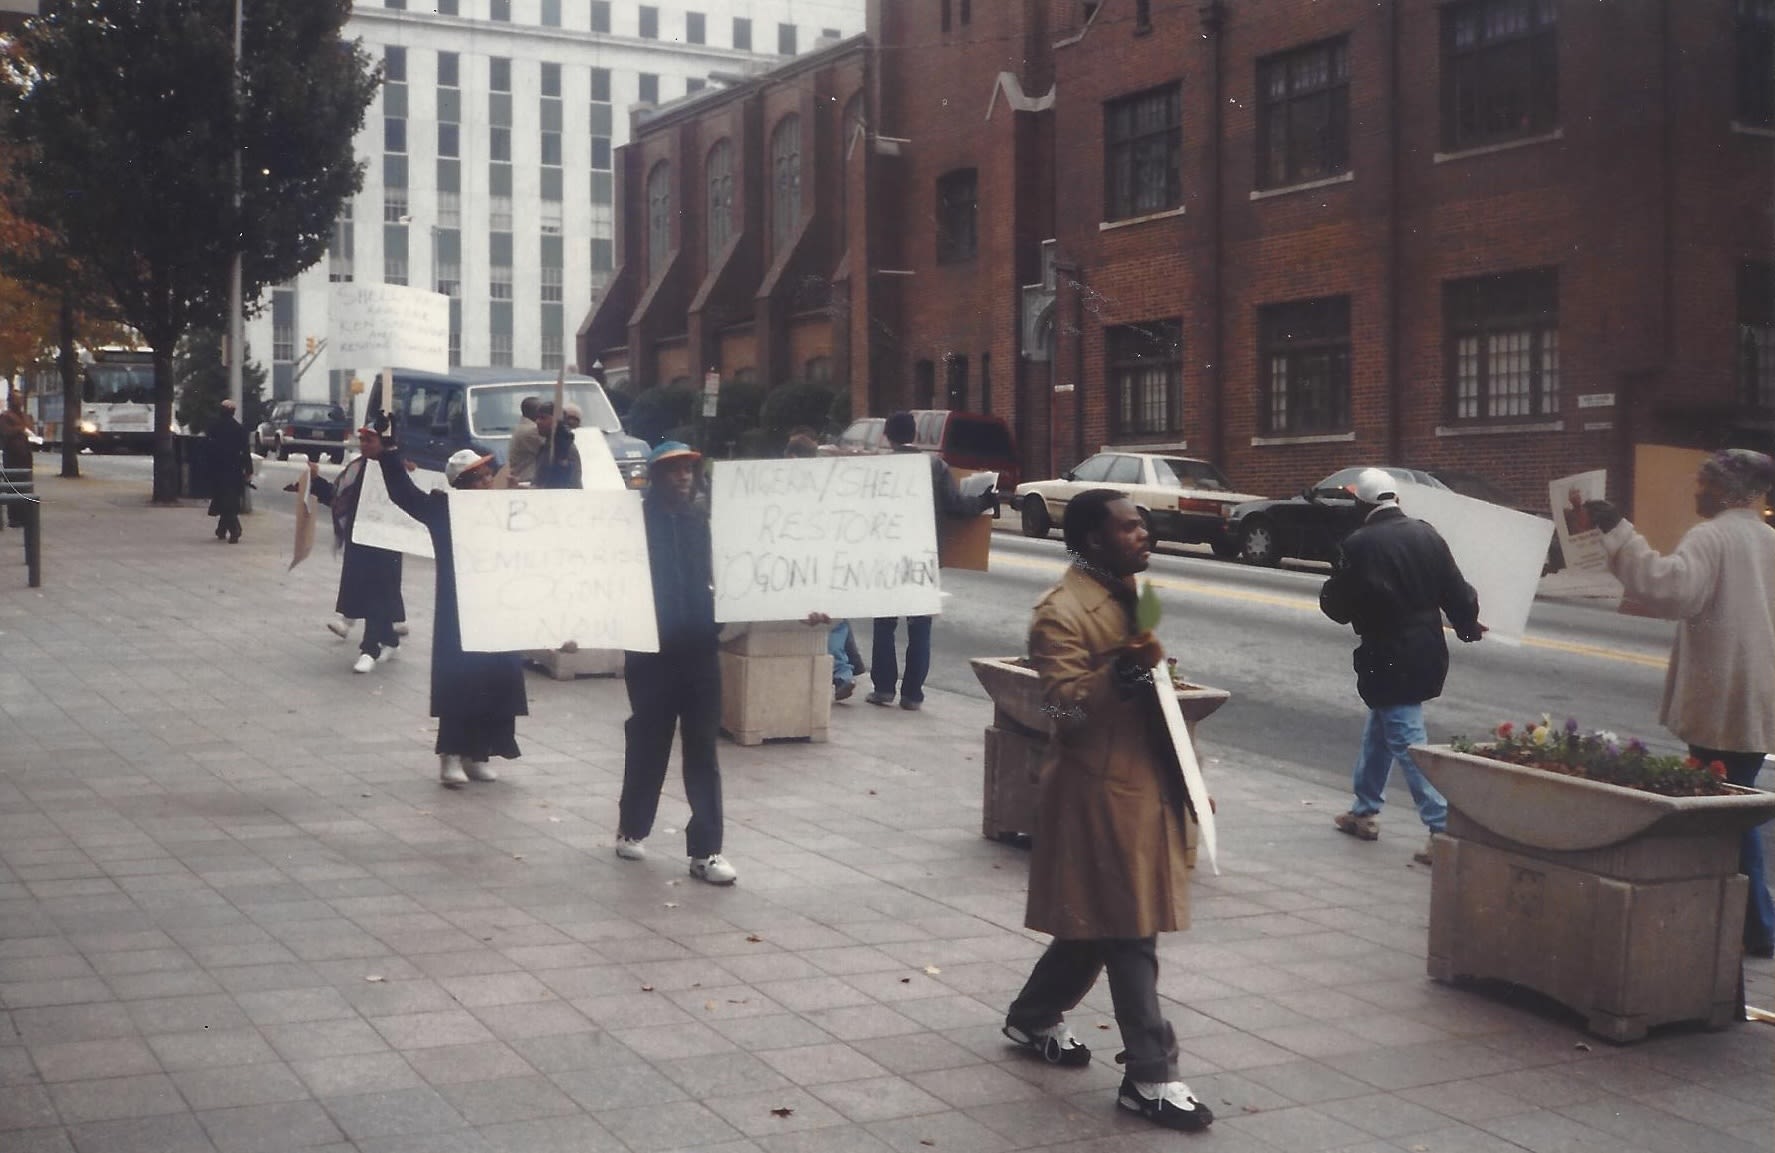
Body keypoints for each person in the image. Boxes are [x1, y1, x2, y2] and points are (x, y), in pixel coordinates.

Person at [1003, 489, 1213, 1134]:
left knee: (1098, 921)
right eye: (1128, 527)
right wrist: (1119, 673)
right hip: (1099, 789)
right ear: (1093, 538)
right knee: (1129, 926)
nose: (1143, 533)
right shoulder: (1059, 612)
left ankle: (1032, 1016)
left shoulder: (1133, 593)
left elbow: (1152, 676)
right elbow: (1061, 709)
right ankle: (1151, 1074)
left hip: (1145, 781)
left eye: (1143, 524)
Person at [1584, 449, 1775, 958]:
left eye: (1702, 483)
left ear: (1725, 491)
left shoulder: (1712, 537)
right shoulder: (1767, 540)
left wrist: (1620, 533)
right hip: (1754, 695)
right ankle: (1755, 920)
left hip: (1721, 698)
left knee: (1728, 810)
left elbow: (1670, 591)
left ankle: (1756, 923)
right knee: (1737, 800)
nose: (1695, 491)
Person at [1319, 468, 1484, 866]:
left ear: (1363, 504)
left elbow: (1336, 607)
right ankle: (1364, 811)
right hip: (1426, 645)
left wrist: (1336, 586)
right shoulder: (1427, 534)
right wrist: (1466, 626)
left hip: (1386, 650)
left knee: (1408, 741)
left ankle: (1441, 828)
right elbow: (1457, 591)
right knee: (1384, 727)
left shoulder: (1357, 544)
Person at [361, 424, 528, 788]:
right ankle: (450, 754)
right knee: (461, 680)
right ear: (462, 484)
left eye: (487, 476)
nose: (486, 483)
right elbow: (404, 494)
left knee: (495, 678)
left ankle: (478, 753)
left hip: (498, 605)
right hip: (459, 608)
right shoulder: (442, 510)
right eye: (478, 479)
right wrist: (389, 455)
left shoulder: (503, 509)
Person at [617, 441, 736, 885]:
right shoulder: (631, 525)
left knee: (703, 747)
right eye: (673, 471)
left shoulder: (703, 522)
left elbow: (741, 571)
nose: (684, 477)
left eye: (689, 469)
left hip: (701, 650)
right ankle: (632, 827)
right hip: (650, 652)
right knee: (649, 740)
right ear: (655, 478)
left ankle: (706, 850)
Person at [867, 410, 980, 711]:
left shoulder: (877, 468)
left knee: (884, 625)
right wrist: (984, 500)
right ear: (914, 434)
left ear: (886, 436)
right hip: (923, 554)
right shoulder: (935, 465)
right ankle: (912, 695)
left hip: (888, 555)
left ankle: (883, 689)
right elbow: (956, 506)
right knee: (920, 629)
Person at [303, 431, 407, 674]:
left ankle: (369, 649)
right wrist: (316, 480)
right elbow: (337, 496)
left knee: (378, 592)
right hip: (358, 540)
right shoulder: (356, 468)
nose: (363, 445)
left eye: (369, 440)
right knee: (367, 591)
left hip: (386, 543)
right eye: (361, 440)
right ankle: (389, 640)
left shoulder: (397, 469)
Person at [784, 431, 857, 699]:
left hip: (804, 562)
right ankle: (842, 673)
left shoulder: (784, 484)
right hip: (827, 560)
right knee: (834, 620)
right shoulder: (826, 483)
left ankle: (839, 672)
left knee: (823, 620)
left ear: (791, 457)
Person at [205, 398, 253, 543]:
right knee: (230, 499)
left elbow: (208, 449)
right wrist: (248, 469)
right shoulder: (240, 429)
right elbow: (246, 451)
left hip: (218, 468)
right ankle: (222, 529)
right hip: (235, 469)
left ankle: (234, 529)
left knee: (222, 498)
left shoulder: (214, 428)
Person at [0, 391, 34, 530]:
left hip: (25, 456)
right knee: (13, 487)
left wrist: (26, 429)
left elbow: (30, 429)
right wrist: (21, 429)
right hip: (12, 457)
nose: (18, 402)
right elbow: (6, 432)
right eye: (16, 399)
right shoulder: (5, 417)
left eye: (20, 399)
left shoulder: (25, 416)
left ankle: (25, 516)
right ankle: (14, 517)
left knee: (25, 487)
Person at [536, 402, 583, 489]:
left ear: (556, 421)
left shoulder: (565, 449)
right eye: (537, 418)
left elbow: (568, 485)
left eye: (543, 418)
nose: (537, 422)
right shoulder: (545, 447)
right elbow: (540, 482)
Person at [507, 399, 552, 485]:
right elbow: (552, 449)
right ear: (533, 412)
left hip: (523, 479)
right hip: (526, 480)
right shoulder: (531, 430)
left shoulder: (523, 427)